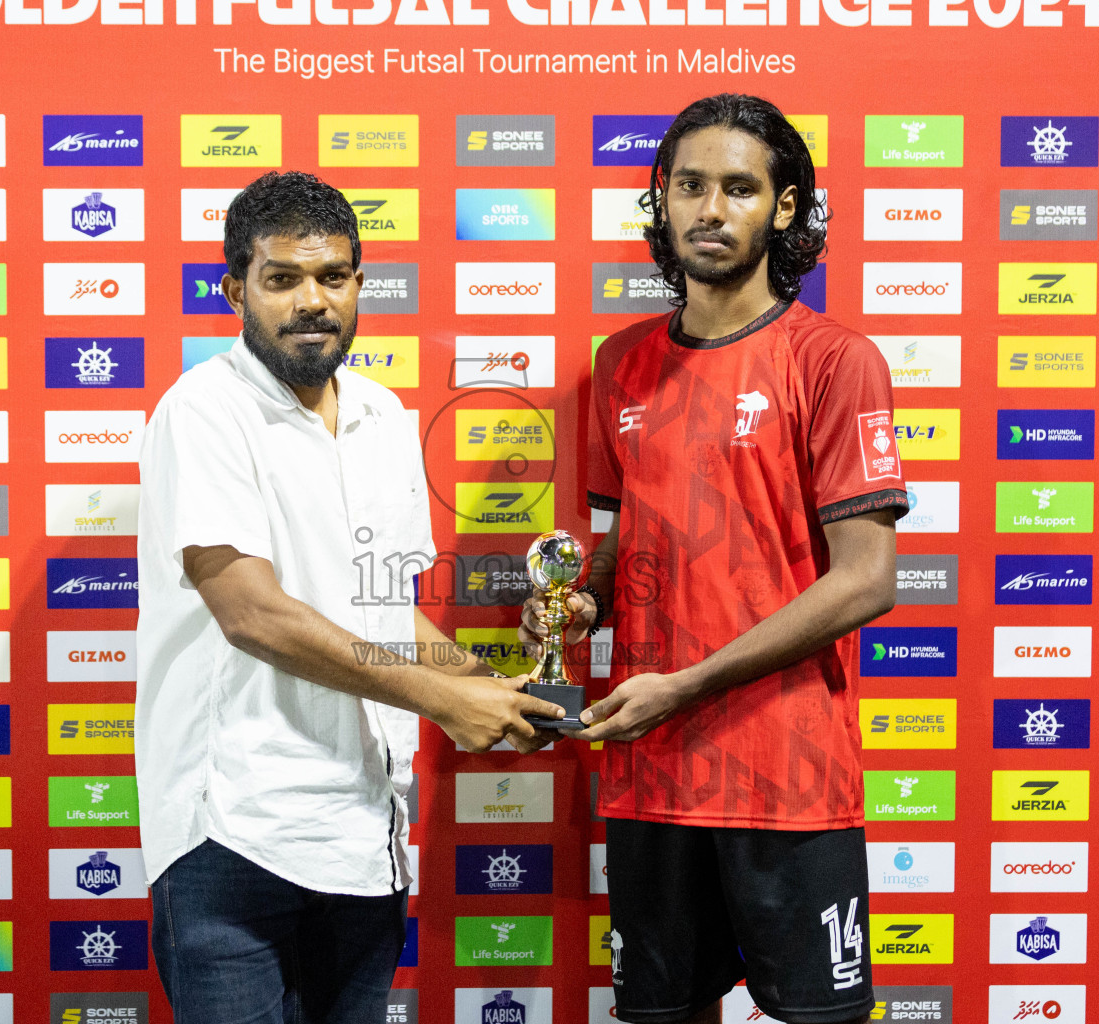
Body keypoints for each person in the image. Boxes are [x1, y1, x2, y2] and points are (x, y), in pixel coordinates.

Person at [136, 170, 564, 1024]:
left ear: (360, 284)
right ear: (236, 291)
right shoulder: (204, 412)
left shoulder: (381, 413)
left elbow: (382, 607)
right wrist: (439, 698)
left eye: (332, 277)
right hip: (234, 831)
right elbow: (250, 612)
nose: (311, 301)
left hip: (365, 830)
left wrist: (483, 686)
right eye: (283, 278)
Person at [522, 94, 906, 1024]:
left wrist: (688, 682)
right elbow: (621, 542)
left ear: (783, 208)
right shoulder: (618, 364)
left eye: (740, 188)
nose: (710, 208)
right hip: (651, 771)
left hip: (790, 775)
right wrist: (579, 607)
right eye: (689, 185)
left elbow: (866, 577)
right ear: (661, 199)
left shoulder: (835, 360)